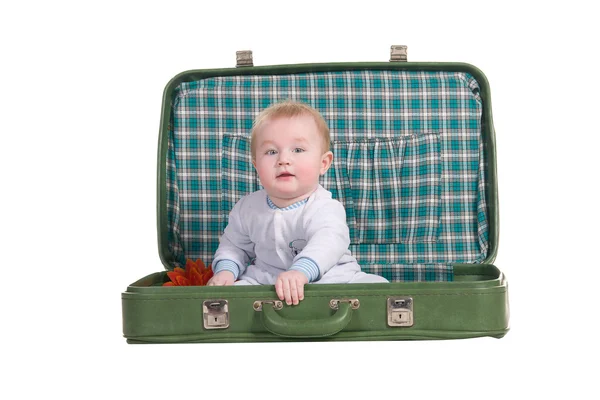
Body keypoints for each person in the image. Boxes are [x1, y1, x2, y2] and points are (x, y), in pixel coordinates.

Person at [207, 101, 388, 304]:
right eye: (271, 152)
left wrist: (300, 271)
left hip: (334, 281)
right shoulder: (247, 208)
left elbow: (328, 242)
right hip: (266, 284)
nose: (283, 159)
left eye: (298, 150)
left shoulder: (325, 207)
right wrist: (226, 271)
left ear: (323, 163)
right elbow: (234, 246)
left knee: (377, 288)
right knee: (229, 299)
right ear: (256, 166)